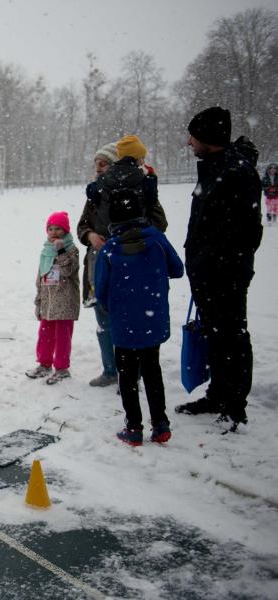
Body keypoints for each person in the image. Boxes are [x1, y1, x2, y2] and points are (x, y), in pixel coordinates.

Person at [176, 106, 263, 431]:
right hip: (208, 272)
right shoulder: (214, 168)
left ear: (208, 138)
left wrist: (221, 264)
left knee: (232, 337)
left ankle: (235, 406)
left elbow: (248, 231)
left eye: (193, 136)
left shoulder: (237, 172)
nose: (189, 142)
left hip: (225, 274)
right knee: (216, 335)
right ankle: (217, 394)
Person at [94, 175, 185, 446]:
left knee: (127, 375)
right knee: (152, 370)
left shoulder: (110, 249)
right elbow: (177, 269)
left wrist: (113, 306)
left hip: (123, 324)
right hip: (152, 320)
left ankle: (134, 427)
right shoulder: (156, 239)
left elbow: (100, 291)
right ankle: (161, 424)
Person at [77, 137, 169, 387]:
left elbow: (159, 224)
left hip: (130, 264)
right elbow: (82, 226)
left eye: (104, 163)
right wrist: (90, 235)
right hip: (98, 264)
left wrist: (128, 236)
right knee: (103, 321)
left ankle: (132, 374)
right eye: (96, 163)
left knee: (130, 321)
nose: (98, 168)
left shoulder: (141, 192)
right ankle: (110, 370)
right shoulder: (94, 194)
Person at [26, 211, 80, 384]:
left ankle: (62, 368)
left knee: (63, 336)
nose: (54, 232)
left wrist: (62, 250)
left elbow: (68, 271)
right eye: (51, 229)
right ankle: (44, 364)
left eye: (59, 229)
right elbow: (41, 278)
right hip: (48, 302)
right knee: (45, 334)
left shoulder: (71, 249)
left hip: (65, 302)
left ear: (65, 231)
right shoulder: (45, 251)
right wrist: (38, 301)